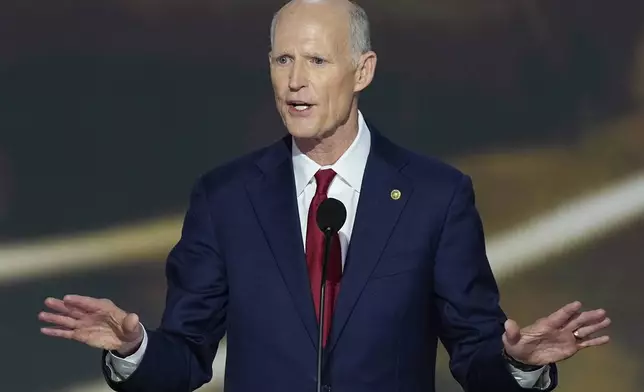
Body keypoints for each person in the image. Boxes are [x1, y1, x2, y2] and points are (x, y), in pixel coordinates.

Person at [38, 1, 611, 391]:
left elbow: (474, 352)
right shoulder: (226, 198)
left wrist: (517, 364)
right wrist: (135, 347)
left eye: (315, 60)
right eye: (282, 60)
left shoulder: (436, 196)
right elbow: (187, 355)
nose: (295, 81)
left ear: (362, 71)